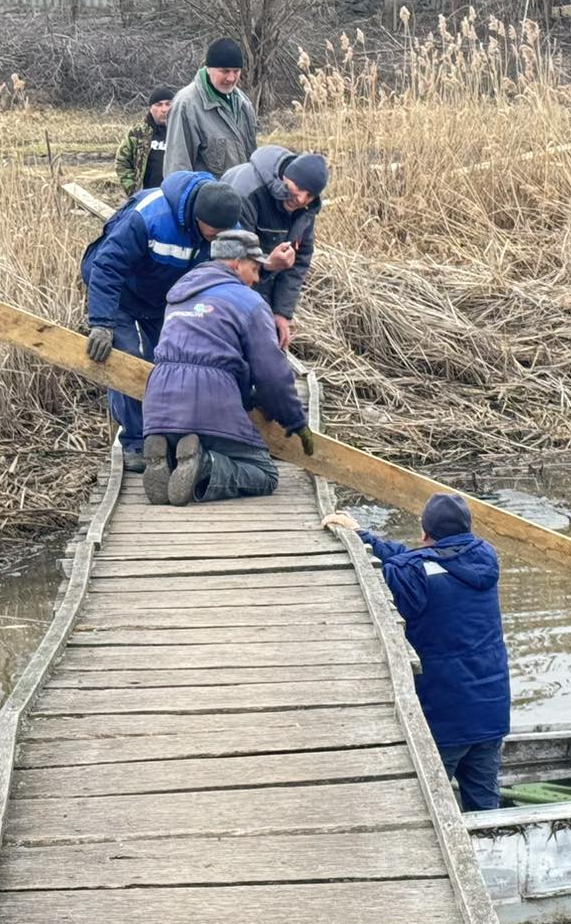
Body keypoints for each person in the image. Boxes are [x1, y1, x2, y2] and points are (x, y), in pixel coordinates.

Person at [323, 495, 510, 811]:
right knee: (485, 807)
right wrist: (371, 537)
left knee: (428, 806)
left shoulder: (413, 574)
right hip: (491, 713)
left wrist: (361, 535)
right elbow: (416, 560)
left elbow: (399, 565)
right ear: (467, 529)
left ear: (425, 533)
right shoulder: (485, 558)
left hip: (444, 716)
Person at [81, 171, 251, 473]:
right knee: (128, 357)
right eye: (212, 233)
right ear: (196, 217)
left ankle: (169, 436)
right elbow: (106, 266)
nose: (216, 239)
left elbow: (228, 284)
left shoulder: (228, 232)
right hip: (120, 291)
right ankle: (135, 442)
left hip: (165, 297)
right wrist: (102, 322)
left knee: (174, 361)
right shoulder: (151, 216)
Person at [140, 230, 314, 506]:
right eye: (255, 268)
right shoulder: (250, 303)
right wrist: (295, 421)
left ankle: (168, 454)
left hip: (157, 403)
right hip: (209, 402)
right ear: (236, 263)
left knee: (189, 440)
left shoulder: (180, 293)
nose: (257, 279)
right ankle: (205, 466)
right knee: (264, 473)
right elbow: (271, 374)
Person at [222, 145, 326, 350]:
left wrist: (281, 312)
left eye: (310, 195)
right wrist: (268, 264)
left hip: (260, 278)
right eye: (299, 188)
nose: (302, 199)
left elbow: (301, 259)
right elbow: (230, 258)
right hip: (225, 281)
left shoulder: (304, 209)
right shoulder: (247, 191)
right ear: (284, 177)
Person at [164, 37, 258, 178]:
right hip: (207, 199)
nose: (231, 78)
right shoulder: (186, 106)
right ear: (208, 69)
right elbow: (177, 172)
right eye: (225, 71)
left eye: (236, 71)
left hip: (241, 198)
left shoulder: (243, 103)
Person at [114, 86, 175, 196]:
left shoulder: (183, 131)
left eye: (168, 104)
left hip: (176, 197)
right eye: (159, 104)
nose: (164, 109)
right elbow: (122, 162)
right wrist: (134, 191)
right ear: (150, 108)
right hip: (147, 197)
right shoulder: (138, 133)